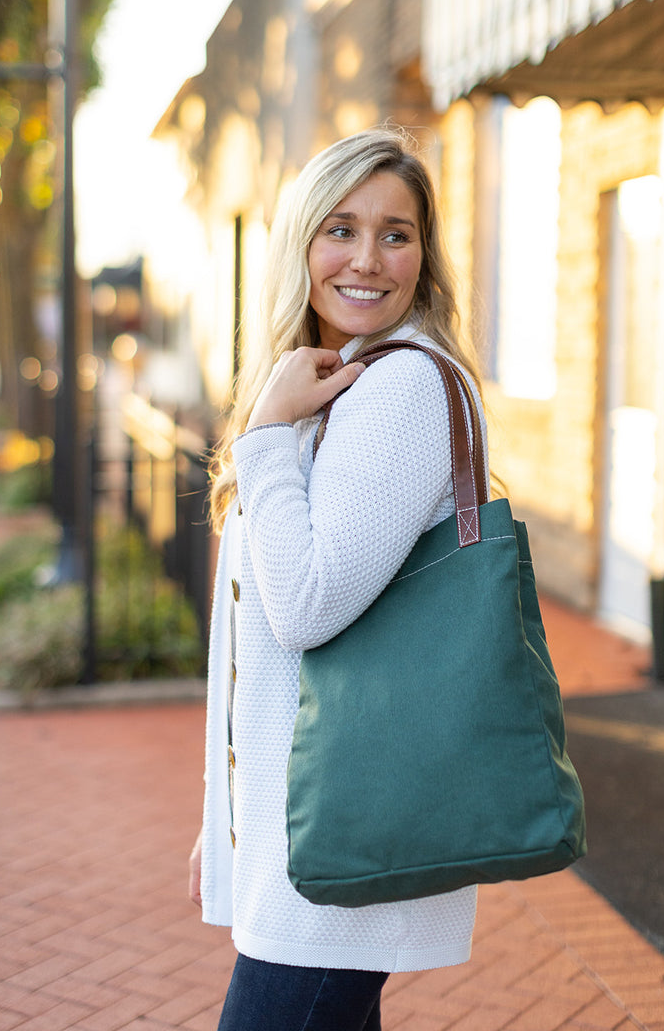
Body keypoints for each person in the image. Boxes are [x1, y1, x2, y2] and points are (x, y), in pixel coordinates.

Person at [188, 127, 489, 1030]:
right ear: (301, 244)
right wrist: (226, 808)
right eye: (341, 229)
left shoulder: (398, 391)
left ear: (424, 257)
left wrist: (267, 436)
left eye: (397, 233)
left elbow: (307, 608)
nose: (368, 259)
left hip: (340, 845)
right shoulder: (336, 385)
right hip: (310, 833)